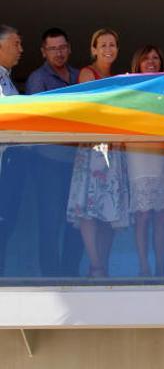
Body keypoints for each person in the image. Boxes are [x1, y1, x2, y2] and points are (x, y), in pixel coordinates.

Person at [67, 28, 130, 277]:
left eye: (112, 44)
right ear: (93, 49)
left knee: (108, 210)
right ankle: (95, 264)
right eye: (102, 45)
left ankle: (102, 265)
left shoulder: (116, 77)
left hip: (114, 148)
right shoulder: (86, 73)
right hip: (94, 147)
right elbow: (93, 108)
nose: (107, 49)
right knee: (89, 207)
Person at [25, 28, 84, 277]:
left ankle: (71, 274)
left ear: (69, 48)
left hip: (77, 163)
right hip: (48, 162)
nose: (58, 53)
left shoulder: (78, 75)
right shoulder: (37, 79)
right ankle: (50, 278)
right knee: (50, 222)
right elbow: (40, 119)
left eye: (62, 47)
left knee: (77, 222)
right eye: (52, 49)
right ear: (43, 52)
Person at [126, 45, 164, 276]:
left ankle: (160, 269)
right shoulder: (130, 88)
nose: (151, 62)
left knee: (162, 215)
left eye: (156, 58)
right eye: (146, 58)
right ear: (138, 62)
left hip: (163, 156)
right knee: (143, 214)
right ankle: (144, 266)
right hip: (138, 155)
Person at [0, 25, 25, 276]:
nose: (21, 50)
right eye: (16, 43)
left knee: (6, 224)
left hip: (9, 167)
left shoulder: (7, 78)